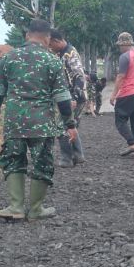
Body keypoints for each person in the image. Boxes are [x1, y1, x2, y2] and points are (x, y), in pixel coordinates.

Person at [0, 19, 77, 221]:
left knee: (13, 160)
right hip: (42, 123)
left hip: (14, 121)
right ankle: (36, 209)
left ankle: (16, 208)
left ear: (28, 35)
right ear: (47, 38)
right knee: (42, 163)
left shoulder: (9, 57)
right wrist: (70, 124)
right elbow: (62, 97)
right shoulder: (52, 60)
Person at [49, 29, 87, 168]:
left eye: (50, 44)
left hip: (73, 96)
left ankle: (67, 158)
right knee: (70, 125)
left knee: (61, 126)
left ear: (56, 41)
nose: (50, 47)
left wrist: (73, 97)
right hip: (71, 96)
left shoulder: (70, 53)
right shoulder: (63, 53)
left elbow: (79, 76)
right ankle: (78, 154)